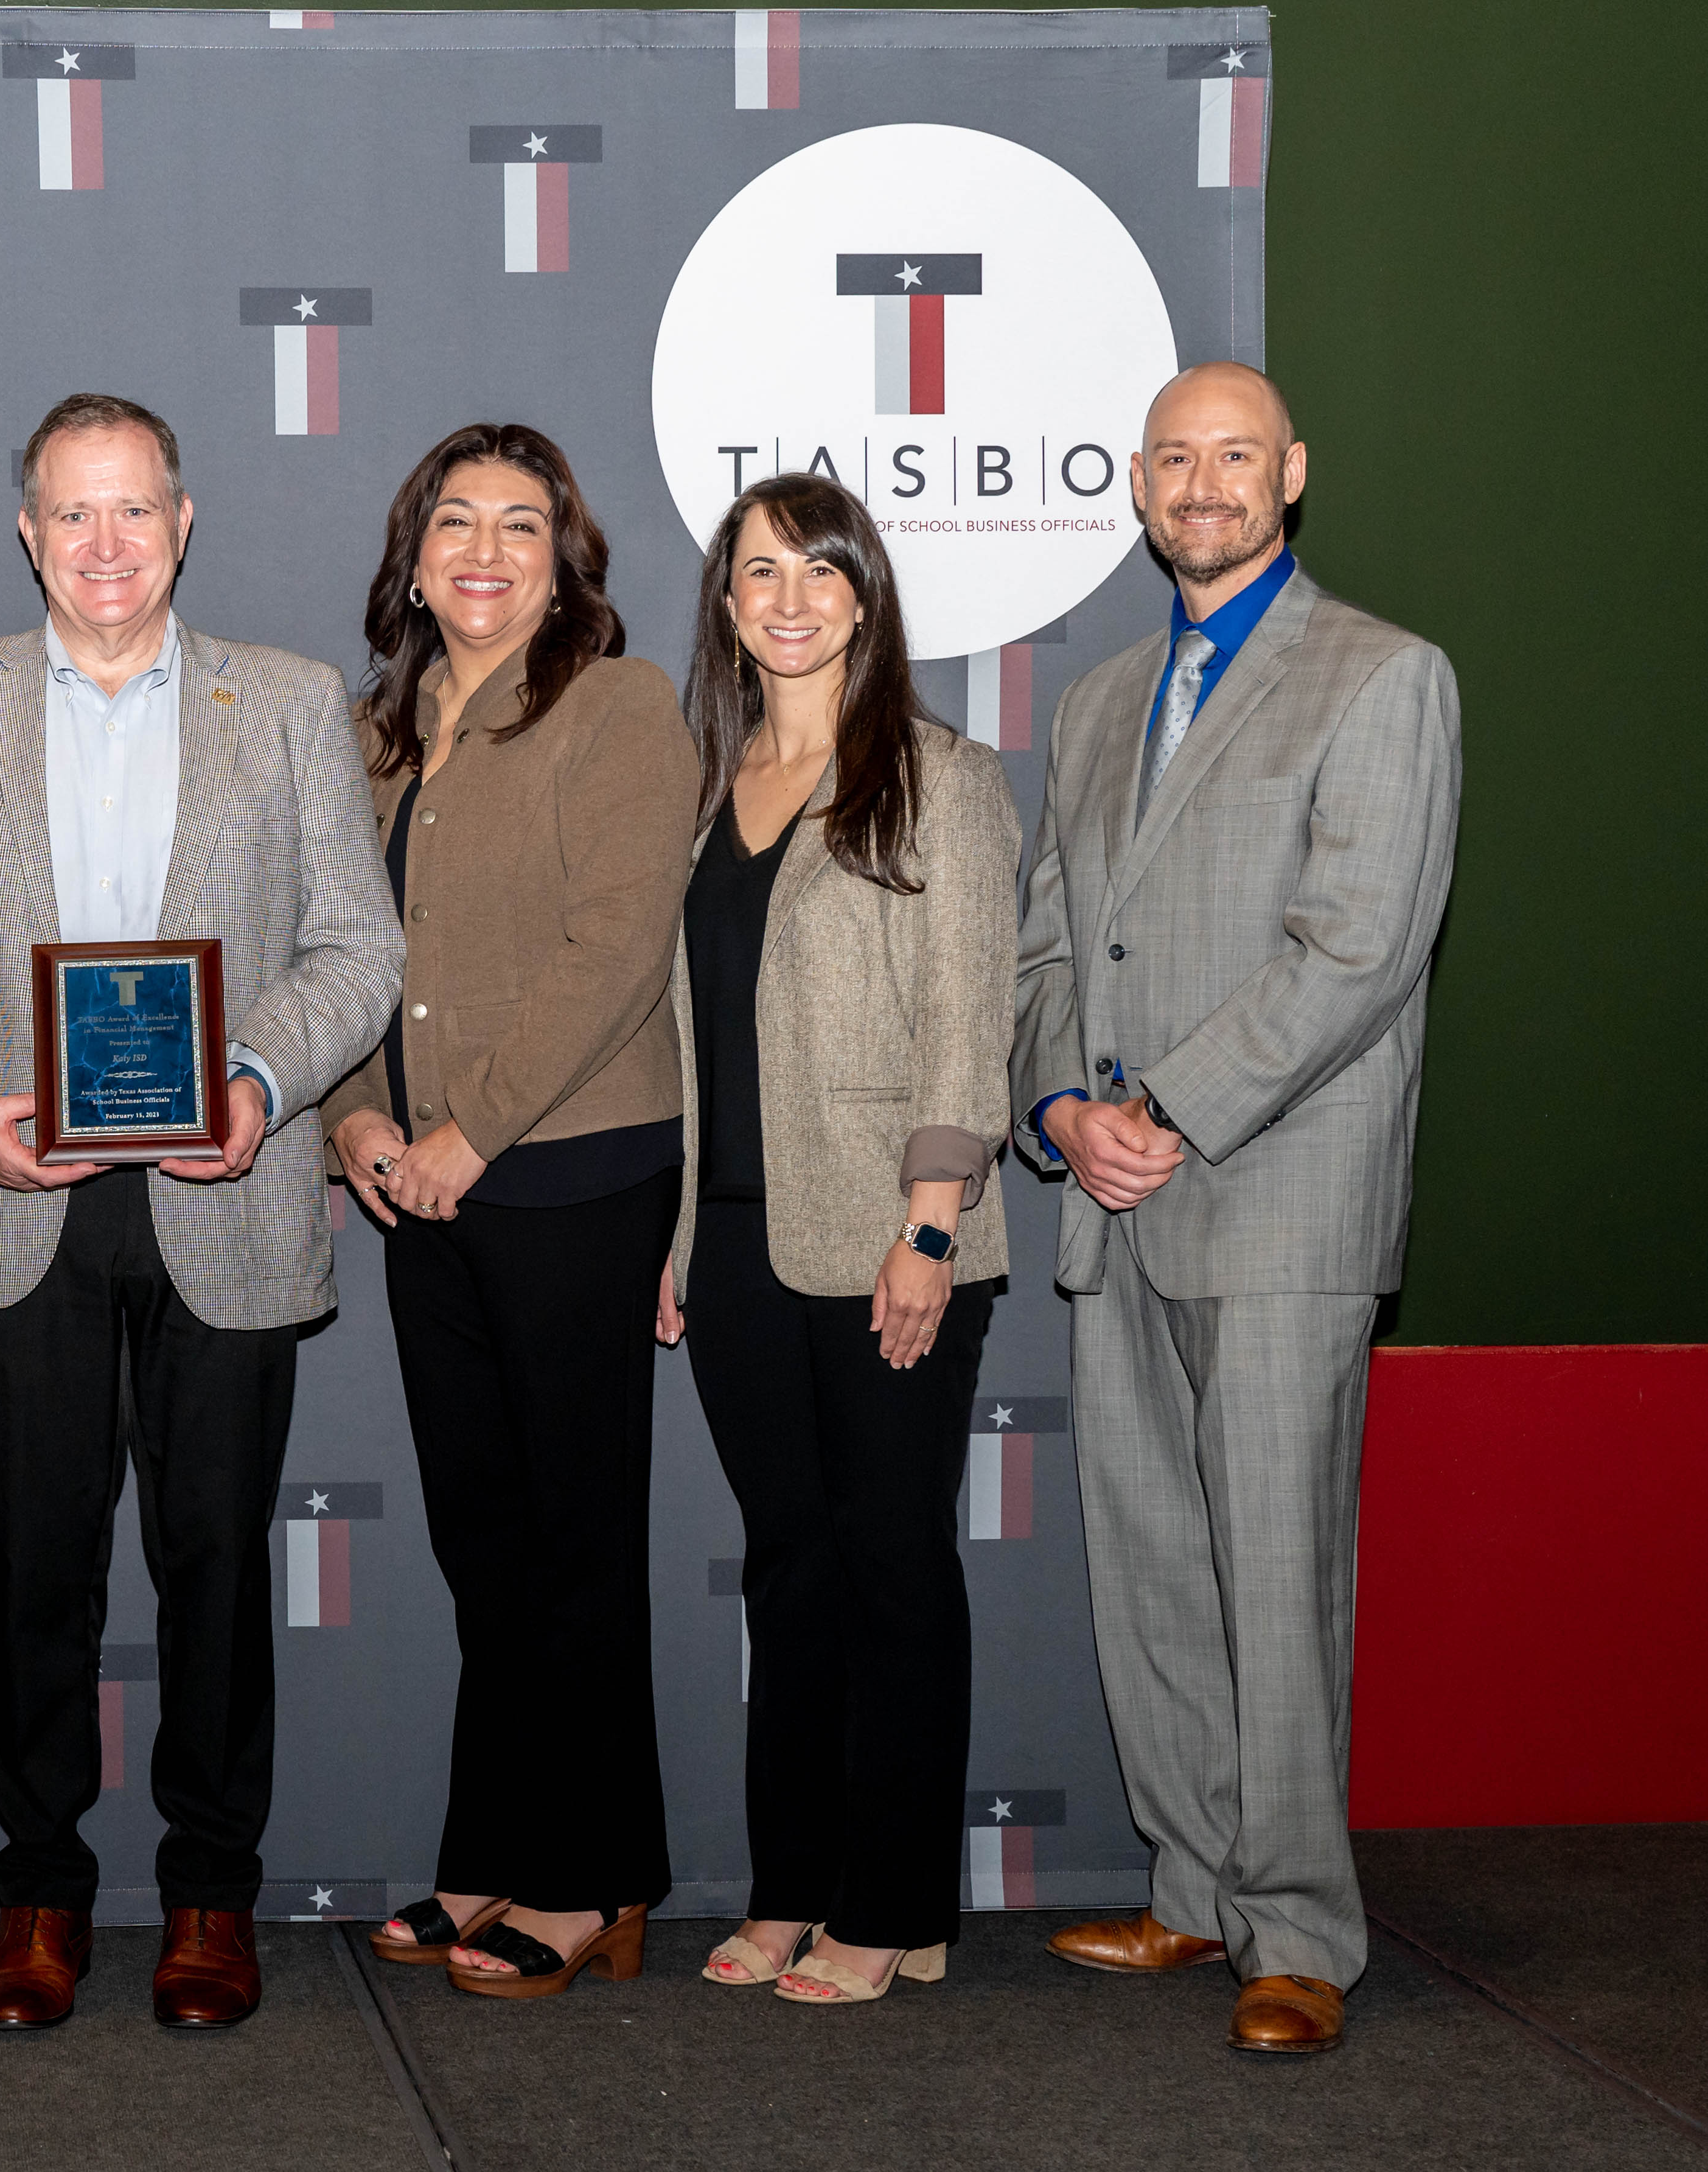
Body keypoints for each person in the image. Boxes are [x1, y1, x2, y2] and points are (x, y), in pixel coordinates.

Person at [0, 393, 405, 2032]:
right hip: (8, 1200)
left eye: (132, 512)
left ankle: (210, 1896)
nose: (103, 545)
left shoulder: (290, 704)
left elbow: (357, 949)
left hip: (225, 1195)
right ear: (27, 530)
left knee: (218, 1563)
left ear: (183, 520)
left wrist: (250, 1080)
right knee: (37, 1567)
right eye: (70, 515)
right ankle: (38, 1895)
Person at [1013, 363, 1459, 2056]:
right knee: (1149, 1567)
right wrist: (1059, 1106)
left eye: (1233, 457)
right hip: (1113, 1202)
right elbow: (1052, 940)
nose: (1200, 484)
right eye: (1171, 459)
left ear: (1291, 474)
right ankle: (1194, 1888)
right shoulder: (1101, 695)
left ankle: (1300, 1931)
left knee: (1272, 1572)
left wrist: (1168, 1110)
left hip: (1275, 1197)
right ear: (1135, 485)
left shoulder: (1383, 676)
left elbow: (1356, 948)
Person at [320, 425, 696, 1999]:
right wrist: (350, 1113)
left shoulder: (618, 706)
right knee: (487, 1543)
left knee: (576, 1541)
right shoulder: (377, 734)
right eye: (454, 523)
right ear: (413, 558)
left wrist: (468, 1128)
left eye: (520, 525)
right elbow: (339, 940)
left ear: (565, 560)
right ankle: (488, 1853)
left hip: (570, 1173)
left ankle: (593, 1876)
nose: (485, 549)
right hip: (423, 1188)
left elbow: (616, 946)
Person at [650, 473, 1021, 2006]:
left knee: (891, 1567)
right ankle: (792, 1881)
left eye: (819, 570)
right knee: (789, 1570)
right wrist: (677, 1234)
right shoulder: (702, 785)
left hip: (892, 1231)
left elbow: (966, 1021)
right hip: (733, 1241)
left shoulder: (943, 777)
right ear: (726, 608)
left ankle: (895, 1903)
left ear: (865, 594)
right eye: (757, 575)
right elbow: (686, 1031)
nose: (788, 598)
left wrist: (928, 1229)